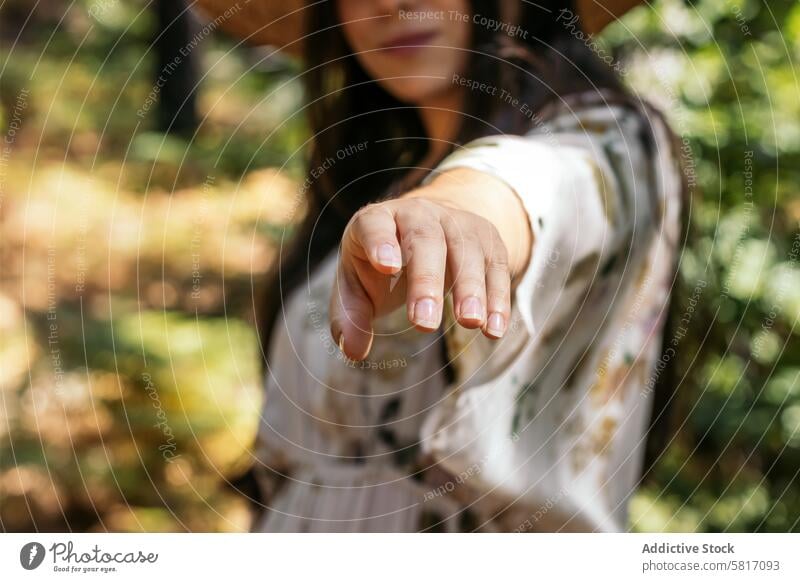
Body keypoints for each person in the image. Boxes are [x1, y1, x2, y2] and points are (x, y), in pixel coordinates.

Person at [194, 0, 685, 532]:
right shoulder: (377, 187)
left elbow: (543, 187)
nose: (389, 2)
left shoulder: (612, 140)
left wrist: (452, 213)